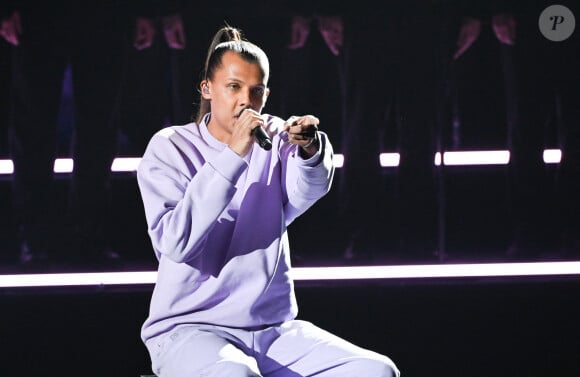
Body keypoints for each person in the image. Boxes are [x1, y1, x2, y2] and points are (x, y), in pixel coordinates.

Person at [137, 26, 400, 377]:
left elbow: (307, 192)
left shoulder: (273, 136)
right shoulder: (169, 146)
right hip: (190, 328)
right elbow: (175, 242)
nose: (245, 100)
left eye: (255, 91)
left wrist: (310, 148)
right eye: (233, 87)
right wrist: (233, 154)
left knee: (376, 370)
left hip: (272, 328)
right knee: (237, 374)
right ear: (208, 89)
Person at [0, 2, 129, 266]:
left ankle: (84, 234)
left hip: (98, 15)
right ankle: (40, 235)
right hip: (42, 13)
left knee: (96, 123)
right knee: (37, 122)